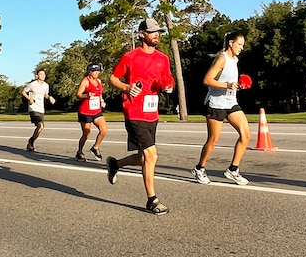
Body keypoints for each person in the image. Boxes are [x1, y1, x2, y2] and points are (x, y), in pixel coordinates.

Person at [106, 18, 175, 215]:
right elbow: (113, 78)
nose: (156, 35)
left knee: (142, 157)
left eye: (158, 31)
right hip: (134, 111)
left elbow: (167, 78)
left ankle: (115, 164)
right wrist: (126, 87)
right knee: (151, 155)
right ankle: (152, 200)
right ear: (142, 34)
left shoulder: (163, 58)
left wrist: (168, 86)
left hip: (152, 112)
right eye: (152, 32)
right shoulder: (130, 57)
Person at [192, 31, 251, 185]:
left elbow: (229, 80)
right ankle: (199, 168)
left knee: (245, 135)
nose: (241, 48)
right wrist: (227, 85)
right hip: (216, 104)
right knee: (213, 139)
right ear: (231, 43)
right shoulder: (221, 59)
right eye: (239, 44)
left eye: (243, 45)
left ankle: (233, 170)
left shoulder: (235, 60)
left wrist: (238, 85)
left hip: (231, 102)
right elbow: (207, 80)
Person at [74, 64, 108, 161]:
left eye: (98, 71)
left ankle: (95, 147)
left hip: (96, 110)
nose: (97, 73)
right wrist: (86, 95)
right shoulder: (85, 81)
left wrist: (102, 100)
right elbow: (78, 95)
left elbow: (99, 94)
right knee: (86, 133)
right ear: (89, 72)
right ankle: (79, 152)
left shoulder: (99, 81)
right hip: (85, 111)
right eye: (95, 71)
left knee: (104, 130)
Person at [22, 70, 55, 152]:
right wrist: (29, 98)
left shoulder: (46, 85)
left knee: (40, 128)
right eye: (41, 74)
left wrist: (49, 97)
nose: (43, 75)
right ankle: (31, 141)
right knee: (41, 125)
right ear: (37, 75)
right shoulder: (33, 84)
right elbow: (23, 92)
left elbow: (45, 95)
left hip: (41, 109)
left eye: (44, 74)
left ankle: (31, 141)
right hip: (33, 108)